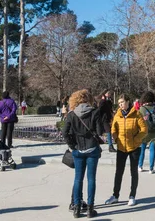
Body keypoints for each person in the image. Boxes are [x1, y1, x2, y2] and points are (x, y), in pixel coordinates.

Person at [63, 89, 104, 218]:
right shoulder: (94, 112)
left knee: (78, 179)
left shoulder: (71, 115)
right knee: (91, 179)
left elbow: (65, 132)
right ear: (88, 99)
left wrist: (72, 146)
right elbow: (99, 131)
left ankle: (76, 208)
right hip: (92, 149)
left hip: (78, 150)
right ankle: (90, 209)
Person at [105, 95, 147, 207]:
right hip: (121, 147)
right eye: (119, 103)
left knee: (133, 172)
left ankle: (132, 196)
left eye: (122, 102)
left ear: (128, 102)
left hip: (134, 148)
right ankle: (115, 195)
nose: (120, 105)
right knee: (119, 172)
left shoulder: (136, 114)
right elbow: (113, 129)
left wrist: (136, 139)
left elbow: (144, 130)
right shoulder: (117, 115)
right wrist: (116, 139)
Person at [138, 91, 155, 174]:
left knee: (142, 149)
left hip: (145, 131)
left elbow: (139, 120)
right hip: (154, 131)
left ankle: (140, 166)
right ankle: (151, 168)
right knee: (152, 150)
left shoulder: (142, 109)